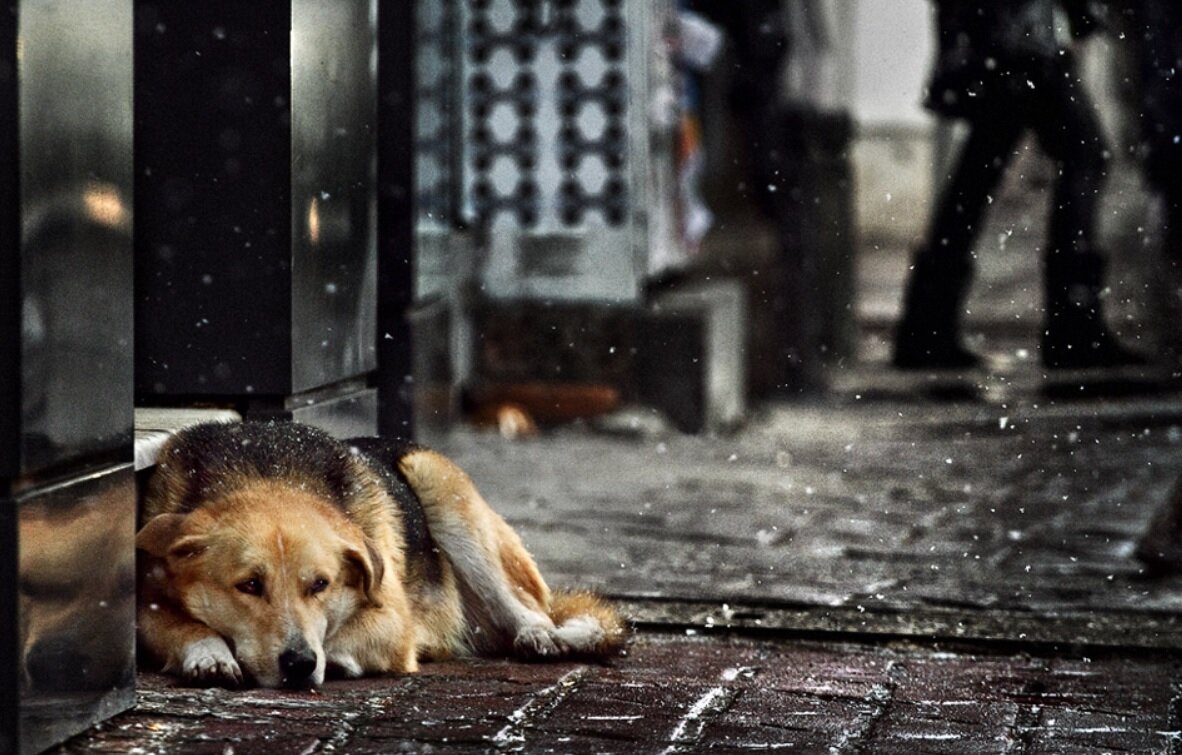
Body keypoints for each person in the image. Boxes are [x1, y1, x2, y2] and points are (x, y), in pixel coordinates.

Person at [894, 0, 1145, 370]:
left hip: (1000, 34)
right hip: (1021, 36)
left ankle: (928, 324)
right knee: (1083, 154)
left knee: (983, 164)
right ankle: (1072, 320)